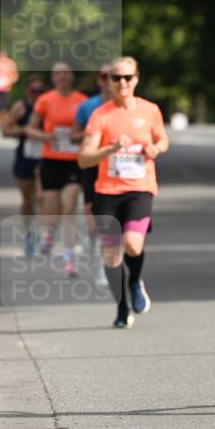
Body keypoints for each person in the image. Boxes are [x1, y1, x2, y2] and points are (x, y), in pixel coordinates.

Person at [78, 56, 169, 329]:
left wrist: (157, 148)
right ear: (108, 81)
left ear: (136, 79)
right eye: (115, 78)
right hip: (106, 191)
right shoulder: (100, 115)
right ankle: (121, 306)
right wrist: (110, 148)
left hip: (140, 188)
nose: (121, 83)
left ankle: (134, 281)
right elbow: (84, 158)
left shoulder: (150, 110)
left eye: (127, 77)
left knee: (132, 244)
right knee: (111, 255)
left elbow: (162, 138)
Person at [25, 62, 86, 274]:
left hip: (74, 160)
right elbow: (30, 129)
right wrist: (46, 136)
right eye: (58, 73)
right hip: (51, 159)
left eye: (66, 73)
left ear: (72, 76)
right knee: (51, 209)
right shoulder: (45, 100)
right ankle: (48, 233)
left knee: (69, 207)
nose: (62, 77)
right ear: (53, 78)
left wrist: (77, 137)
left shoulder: (82, 101)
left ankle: (69, 256)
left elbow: (93, 129)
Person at [71, 65, 113, 285]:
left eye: (114, 76)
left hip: (119, 170)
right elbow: (73, 135)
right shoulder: (88, 106)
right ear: (99, 80)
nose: (110, 81)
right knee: (93, 219)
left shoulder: (129, 106)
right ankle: (94, 246)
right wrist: (91, 137)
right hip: (93, 166)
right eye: (105, 77)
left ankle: (105, 268)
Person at [1, 77, 47, 256]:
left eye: (40, 90)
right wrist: (24, 130)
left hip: (44, 157)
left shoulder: (48, 105)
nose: (37, 94)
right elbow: (5, 131)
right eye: (33, 90)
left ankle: (43, 234)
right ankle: (28, 232)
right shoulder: (21, 107)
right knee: (28, 202)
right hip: (25, 157)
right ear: (28, 91)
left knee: (42, 197)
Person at [0, 49, 19, 124]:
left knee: (4, 106)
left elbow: (15, 75)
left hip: (6, 89)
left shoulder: (10, 63)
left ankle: (3, 122)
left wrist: (10, 82)